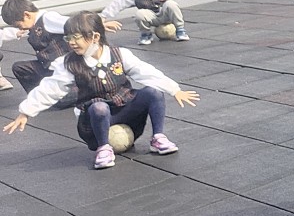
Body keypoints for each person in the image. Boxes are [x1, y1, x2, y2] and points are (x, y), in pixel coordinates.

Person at [2, 11, 198, 169]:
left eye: (76, 37)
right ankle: (103, 148)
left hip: (124, 111)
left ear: (95, 37)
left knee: (153, 93)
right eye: (68, 37)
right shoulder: (68, 63)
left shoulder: (119, 54)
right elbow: (51, 87)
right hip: (93, 120)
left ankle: (158, 138)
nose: (70, 42)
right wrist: (26, 112)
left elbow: (145, 71)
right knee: (99, 107)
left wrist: (174, 89)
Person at [1, 0, 84, 104]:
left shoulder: (48, 19)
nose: (21, 29)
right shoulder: (34, 26)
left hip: (66, 71)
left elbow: (75, 24)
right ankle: (40, 97)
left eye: (19, 25)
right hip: (50, 69)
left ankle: (77, 91)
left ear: (27, 15)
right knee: (19, 68)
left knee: (62, 100)